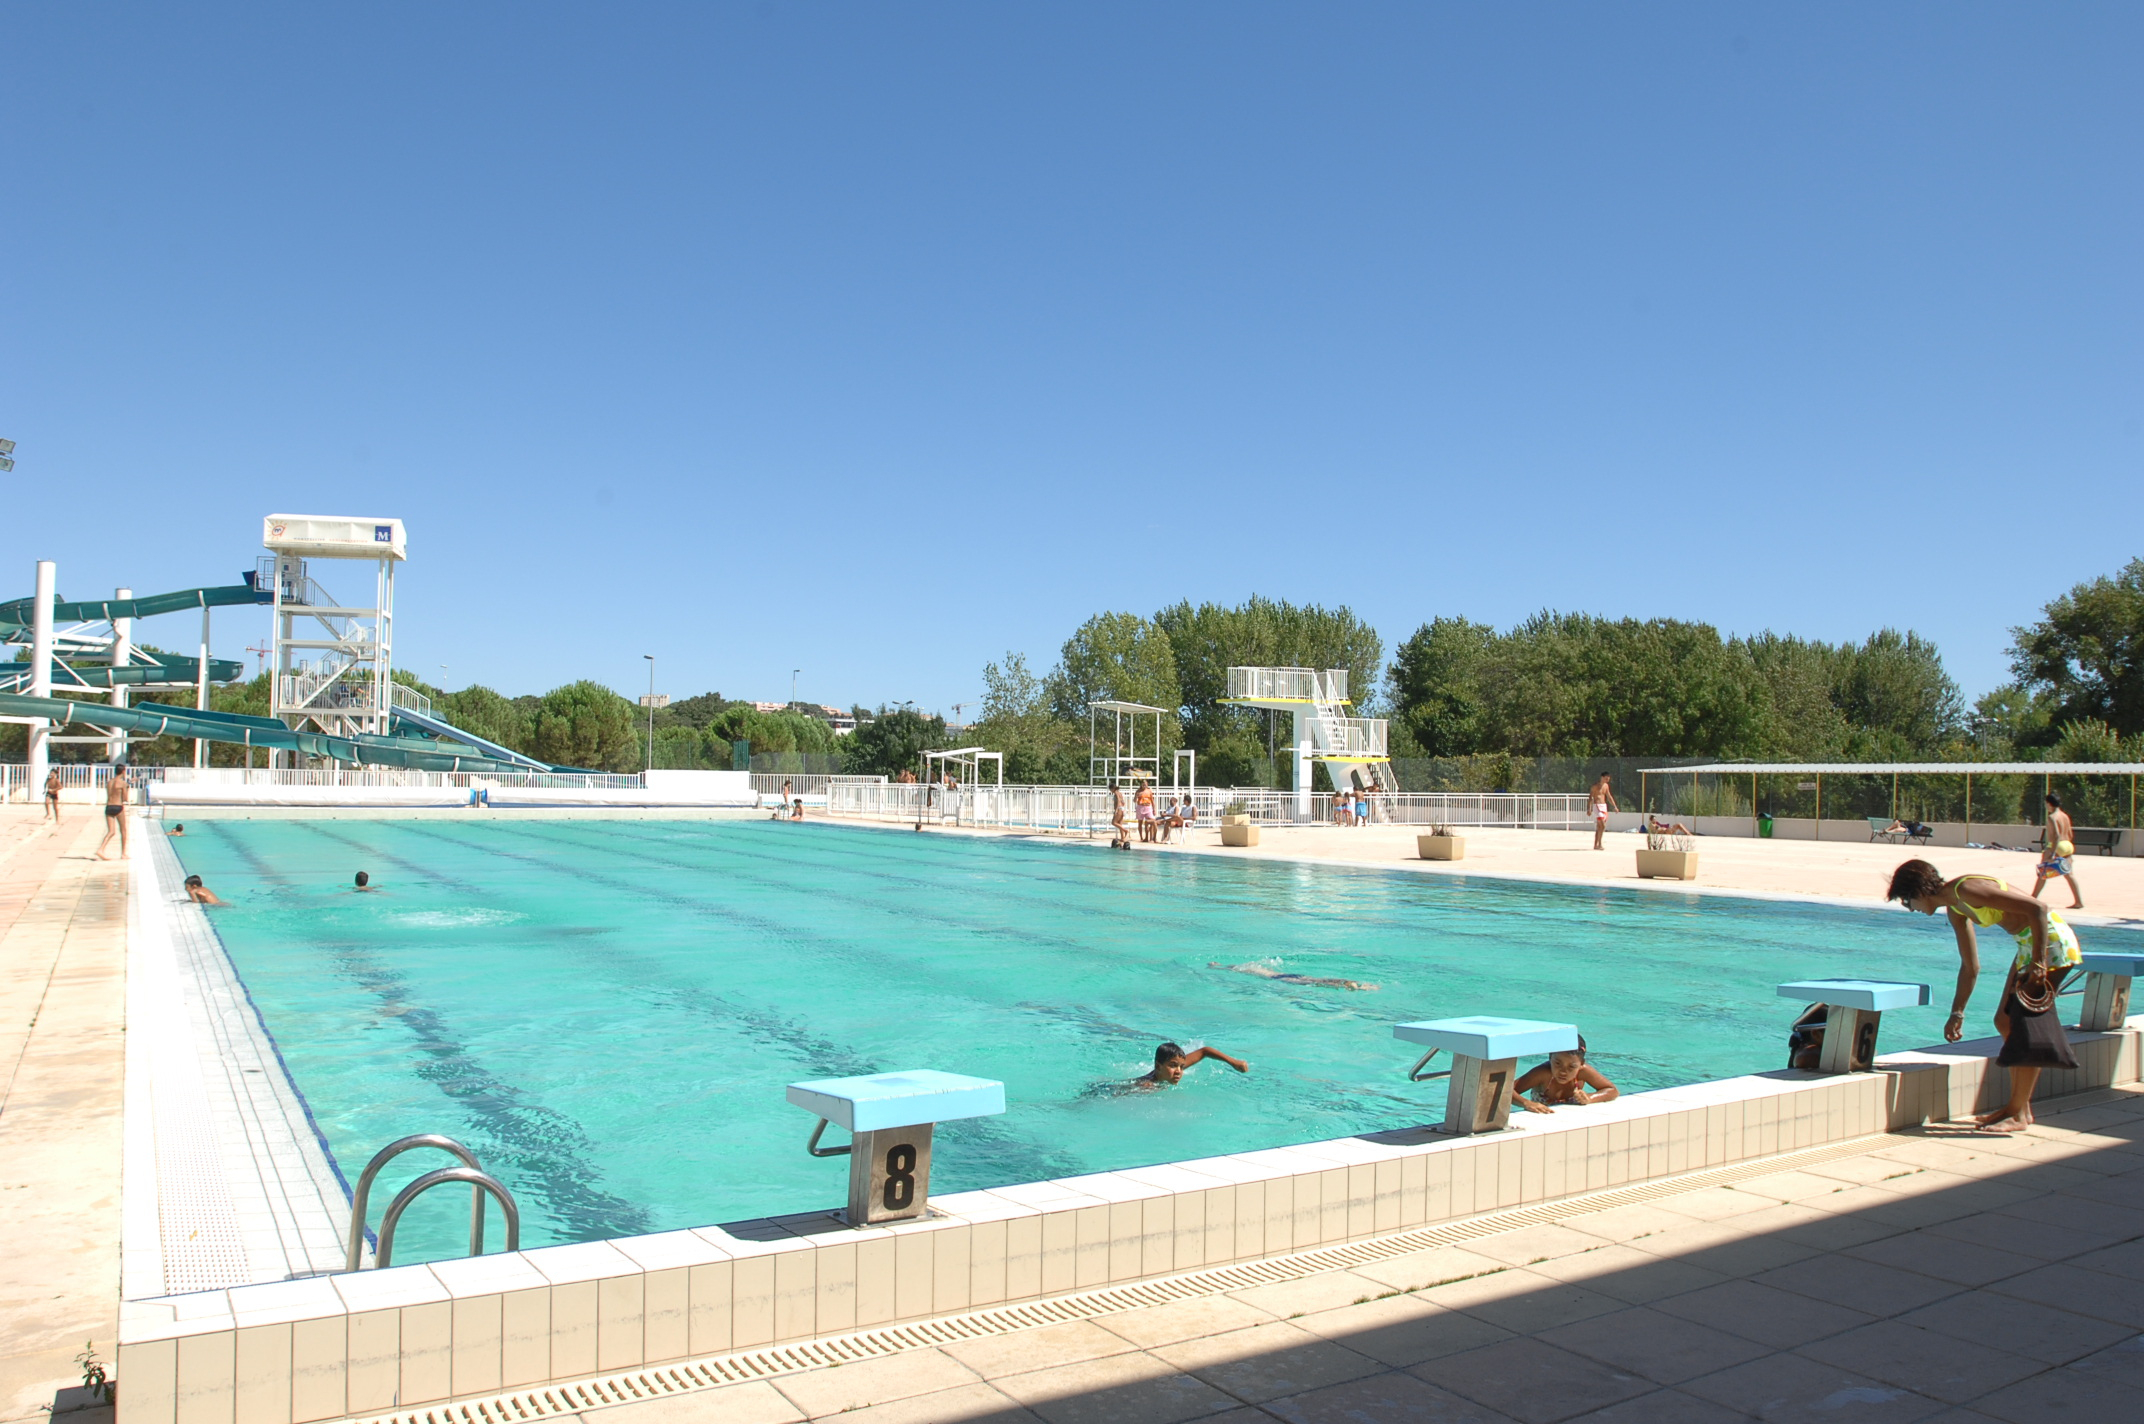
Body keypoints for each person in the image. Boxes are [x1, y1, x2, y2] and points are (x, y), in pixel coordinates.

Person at [1887, 858, 2081, 1131]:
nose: (1910, 909)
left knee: (2023, 1025)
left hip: (2049, 941)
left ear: (1918, 891)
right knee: (2004, 1021)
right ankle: (2019, 1109)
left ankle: (2017, 1113)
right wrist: (1957, 1012)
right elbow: (1970, 966)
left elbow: (2038, 908)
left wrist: (2038, 961)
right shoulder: (1956, 909)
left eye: (1907, 902)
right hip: (2028, 945)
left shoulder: (1966, 890)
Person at [1512, 1037, 1618, 1113]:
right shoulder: (1543, 1073)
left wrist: (1589, 1098)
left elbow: (1611, 1090)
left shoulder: (1583, 1072)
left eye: (1571, 1067)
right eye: (1557, 1063)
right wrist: (1526, 1103)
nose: (1563, 1071)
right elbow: (1504, 1090)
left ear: (1581, 1064)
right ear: (1550, 1058)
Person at [2032, 793, 2084, 910]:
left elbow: (2056, 836)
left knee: (2042, 873)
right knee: (2069, 874)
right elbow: (2069, 833)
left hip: (2057, 846)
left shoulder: (2052, 817)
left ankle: (2033, 898)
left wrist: (2053, 853)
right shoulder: (2065, 816)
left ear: (2049, 804)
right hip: (2068, 844)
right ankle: (2079, 901)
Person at [1135, 1041, 1249, 1087]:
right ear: (1158, 1066)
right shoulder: (1147, 1087)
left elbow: (1204, 1051)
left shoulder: (1172, 1068)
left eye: (1182, 1066)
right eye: (1173, 1066)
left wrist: (1233, 1062)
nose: (1178, 1071)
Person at [1211, 961, 1375, 991]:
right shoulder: (1255, 966)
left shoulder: (1243, 969)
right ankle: (1353, 984)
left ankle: (1351, 986)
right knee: (1315, 980)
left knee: (1315, 983)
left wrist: (1219, 967)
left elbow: (1231, 968)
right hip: (1285, 974)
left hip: (1280, 978)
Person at [96, 766, 130, 860]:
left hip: (109, 807)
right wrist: (127, 788)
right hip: (118, 807)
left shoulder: (109, 782)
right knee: (123, 830)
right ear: (123, 771)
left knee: (111, 831)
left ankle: (101, 849)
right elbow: (125, 798)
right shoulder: (123, 783)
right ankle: (123, 854)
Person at [1589, 773, 1618, 850]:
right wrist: (1589, 808)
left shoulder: (1606, 786)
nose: (1607, 780)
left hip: (1603, 807)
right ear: (1602, 777)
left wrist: (1614, 806)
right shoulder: (1595, 786)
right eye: (1606, 778)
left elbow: (1609, 796)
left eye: (1608, 779)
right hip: (1597, 806)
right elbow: (1590, 798)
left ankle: (1596, 844)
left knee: (1599, 827)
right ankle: (1600, 844)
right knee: (1603, 825)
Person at [1109, 781, 1132, 850]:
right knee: (1120, 824)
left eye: (1110, 789)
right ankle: (1123, 839)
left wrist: (1116, 809)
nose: (1110, 791)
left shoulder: (1116, 793)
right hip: (1122, 809)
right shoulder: (1120, 793)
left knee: (1113, 822)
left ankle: (1126, 831)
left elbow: (1119, 801)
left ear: (1113, 788)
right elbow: (1123, 802)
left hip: (1119, 809)